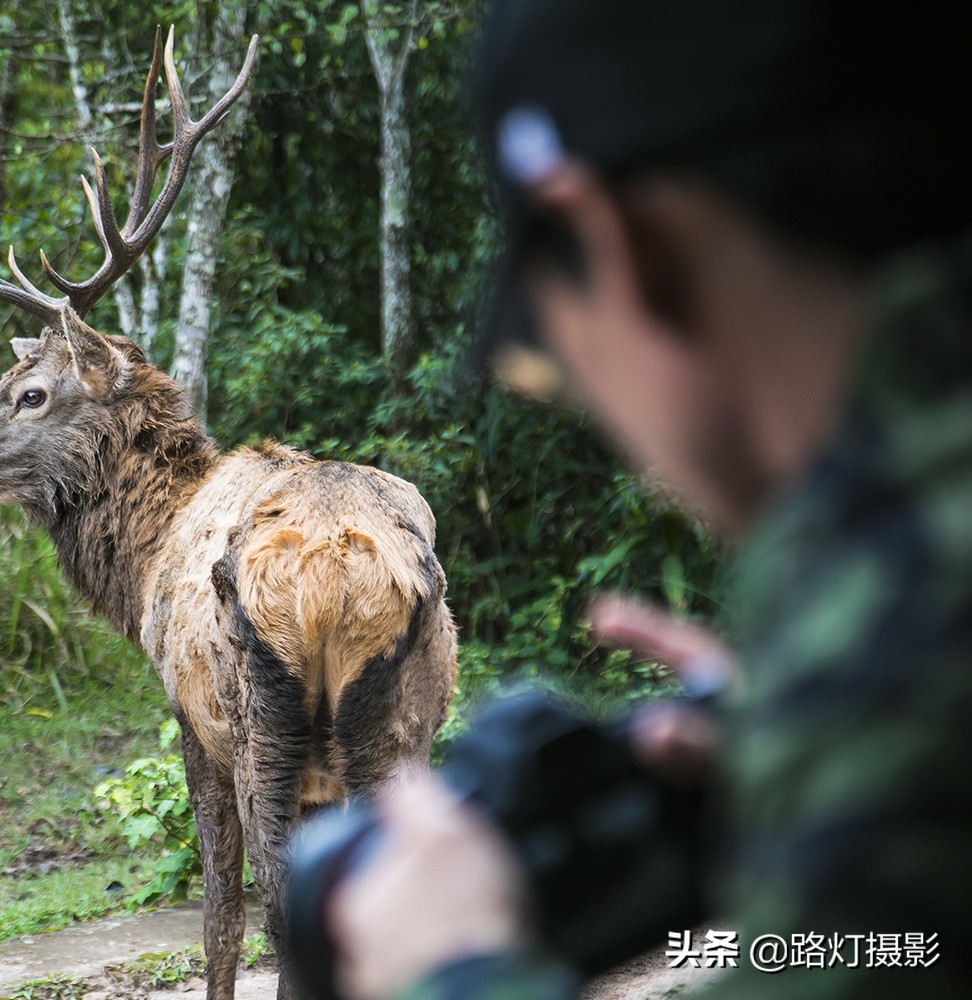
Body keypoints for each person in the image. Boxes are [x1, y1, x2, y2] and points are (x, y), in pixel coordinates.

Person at [325, 0, 972, 996]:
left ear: (625, 243)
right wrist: (808, 771)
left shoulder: (906, 628)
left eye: (545, 361)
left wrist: (456, 970)